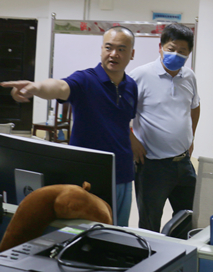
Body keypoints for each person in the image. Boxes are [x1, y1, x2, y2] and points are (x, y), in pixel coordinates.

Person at [1, 26, 138, 226]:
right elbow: (59, 86)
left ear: (131, 54)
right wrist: (36, 87)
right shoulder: (85, 80)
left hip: (123, 173)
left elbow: (122, 123)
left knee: (119, 232)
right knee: (87, 231)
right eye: (108, 47)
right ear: (101, 49)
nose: (113, 54)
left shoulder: (131, 85)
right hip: (89, 174)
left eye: (121, 49)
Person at [129, 23, 200, 232]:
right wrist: (131, 140)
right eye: (171, 48)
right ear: (160, 47)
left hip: (183, 162)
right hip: (152, 165)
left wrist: (191, 138)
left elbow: (195, 107)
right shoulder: (140, 75)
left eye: (182, 51)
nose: (176, 54)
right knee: (150, 223)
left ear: (189, 54)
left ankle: (180, 252)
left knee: (189, 219)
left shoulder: (189, 76)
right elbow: (119, 112)